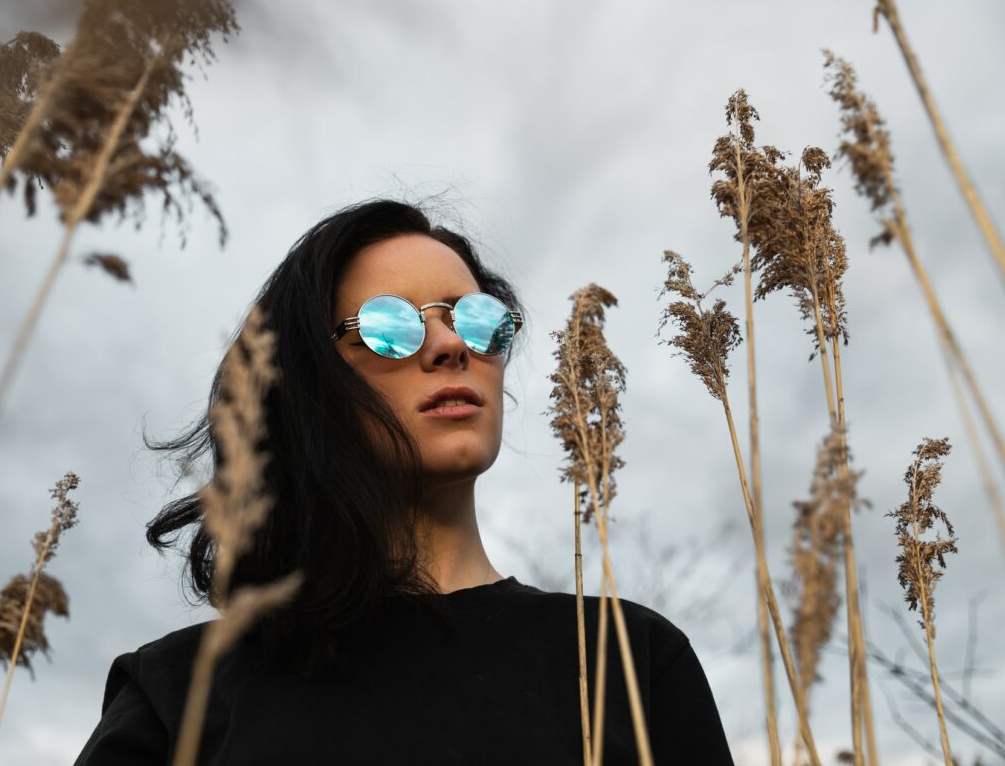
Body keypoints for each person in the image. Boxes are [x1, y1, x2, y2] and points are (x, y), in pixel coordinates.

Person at [75, 199, 734, 765]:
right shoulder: (179, 695)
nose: (450, 345)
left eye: (476, 319)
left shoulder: (628, 663)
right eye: (390, 326)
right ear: (308, 389)